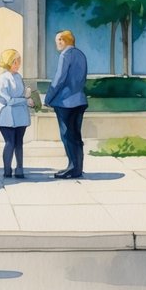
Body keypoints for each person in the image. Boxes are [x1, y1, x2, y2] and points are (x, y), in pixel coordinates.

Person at [45, 29, 88, 179]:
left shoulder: (65, 55)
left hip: (65, 102)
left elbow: (59, 80)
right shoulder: (81, 54)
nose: (56, 44)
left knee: (67, 135)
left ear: (64, 41)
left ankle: (72, 167)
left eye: (58, 41)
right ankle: (78, 167)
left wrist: (48, 98)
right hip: (80, 100)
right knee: (76, 135)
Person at [0, 49, 31, 179]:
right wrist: (25, 100)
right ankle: (7, 169)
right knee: (10, 142)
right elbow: (8, 100)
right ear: (10, 62)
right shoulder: (2, 79)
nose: (18, 64)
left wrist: (26, 94)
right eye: (16, 61)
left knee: (19, 142)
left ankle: (20, 168)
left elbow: (20, 94)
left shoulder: (18, 76)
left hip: (20, 115)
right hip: (7, 116)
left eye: (19, 61)